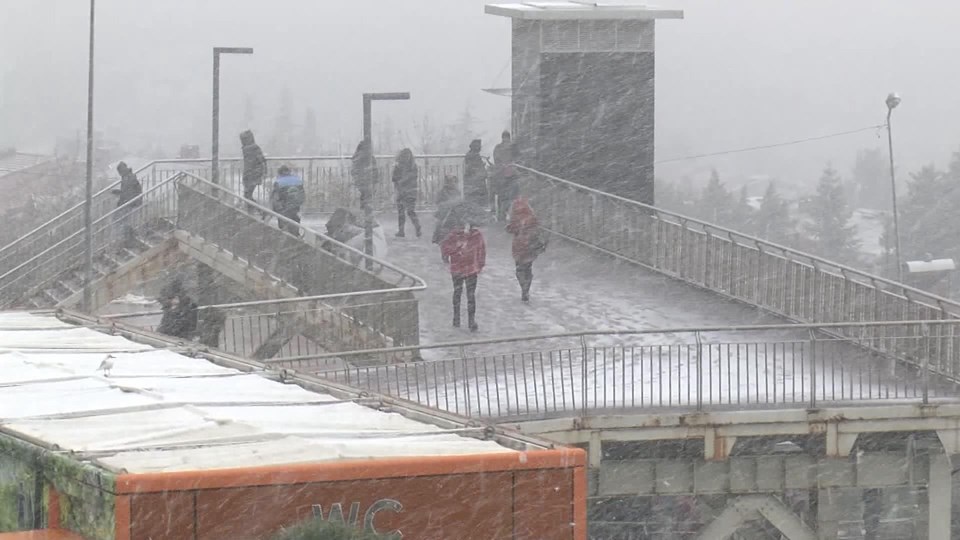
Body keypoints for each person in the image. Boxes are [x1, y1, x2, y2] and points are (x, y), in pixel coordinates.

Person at [440, 222, 486, 331]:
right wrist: (457, 248)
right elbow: (445, 249)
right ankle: (456, 318)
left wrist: (480, 264)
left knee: (471, 296)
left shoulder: (477, 235)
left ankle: (471, 321)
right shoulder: (454, 235)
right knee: (457, 293)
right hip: (458, 269)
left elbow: (482, 250)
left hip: (471, 270)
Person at [506, 196, 546, 303]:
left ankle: (523, 286)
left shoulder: (515, 217)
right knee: (528, 269)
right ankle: (526, 288)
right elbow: (538, 228)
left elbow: (511, 229)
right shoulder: (531, 217)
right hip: (530, 246)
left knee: (519, 269)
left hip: (518, 246)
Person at [391, 148, 421, 238]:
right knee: (409, 211)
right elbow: (411, 178)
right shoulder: (413, 166)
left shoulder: (399, 166)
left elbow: (394, 178)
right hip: (410, 191)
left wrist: (399, 182)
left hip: (403, 191)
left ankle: (402, 231)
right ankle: (416, 227)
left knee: (402, 212)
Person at [270, 165, 305, 235]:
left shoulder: (279, 182)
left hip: (283, 207)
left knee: (284, 228)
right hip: (295, 207)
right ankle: (296, 237)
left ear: (280, 173)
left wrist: (275, 209)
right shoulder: (298, 180)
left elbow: (275, 198)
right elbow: (302, 195)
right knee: (295, 224)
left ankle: (288, 239)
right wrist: (298, 203)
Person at [492, 131, 519, 221]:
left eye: (507, 137)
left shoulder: (511, 147)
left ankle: (507, 214)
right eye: (505, 137)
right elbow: (497, 159)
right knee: (504, 196)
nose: (506, 139)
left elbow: (517, 158)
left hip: (508, 175)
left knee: (509, 196)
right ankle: (503, 214)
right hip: (504, 175)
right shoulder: (500, 148)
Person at [240, 130, 267, 208]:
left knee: (247, 195)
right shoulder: (252, 147)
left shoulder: (250, 148)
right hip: (253, 174)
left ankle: (260, 211)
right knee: (248, 195)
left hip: (251, 174)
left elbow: (258, 160)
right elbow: (261, 160)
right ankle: (258, 211)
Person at [351, 140, 379, 209]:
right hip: (366, 182)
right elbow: (375, 170)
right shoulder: (368, 158)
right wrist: (375, 181)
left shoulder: (357, 157)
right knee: (367, 199)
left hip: (362, 182)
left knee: (364, 198)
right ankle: (365, 213)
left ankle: (364, 212)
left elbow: (354, 171)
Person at [462, 139, 488, 209]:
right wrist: (482, 169)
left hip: (472, 183)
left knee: (472, 202)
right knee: (476, 202)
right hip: (476, 183)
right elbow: (473, 168)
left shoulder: (470, 154)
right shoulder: (474, 155)